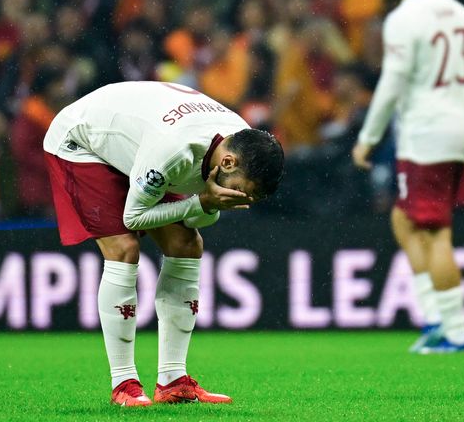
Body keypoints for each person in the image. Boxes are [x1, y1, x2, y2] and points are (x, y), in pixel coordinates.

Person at [42, 81, 284, 406]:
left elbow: (201, 217)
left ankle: (173, 381)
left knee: (186, 244)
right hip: (83, 141)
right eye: (244, 190)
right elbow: (134, 217)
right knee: (124, 248)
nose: (243, 199)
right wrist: (200, 203)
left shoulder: (240, 143)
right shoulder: (176, 151)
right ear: (226, 163)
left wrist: (205, 204)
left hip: (137, 145)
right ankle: (124, 385)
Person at [351, 0, 464, 353]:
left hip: (426, 133)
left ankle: (455, 333)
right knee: (403, 218)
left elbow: (392, 81)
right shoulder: (458, 11)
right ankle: (434, 318)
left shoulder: (404, 17)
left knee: (434, 232)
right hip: (455, 127)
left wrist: (368, 137)